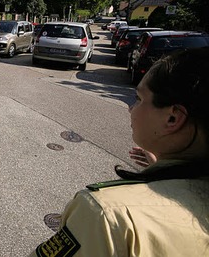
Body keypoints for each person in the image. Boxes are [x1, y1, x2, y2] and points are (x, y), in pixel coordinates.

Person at [30, 47, 209, 256]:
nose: (130, 108)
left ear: (173, 118)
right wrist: (160, 173)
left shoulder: (108, 214)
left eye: (139, 99)